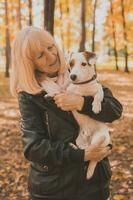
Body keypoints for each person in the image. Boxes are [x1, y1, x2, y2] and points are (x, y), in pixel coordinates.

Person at [10, 26, 123, 200]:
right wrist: (82, 155)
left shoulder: (77, 69)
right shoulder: (29, 95)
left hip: (94, 186)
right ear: (29, 63)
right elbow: (34, 148)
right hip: (55, 189)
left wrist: (81, 103)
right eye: (40, 55)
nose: (51, 56)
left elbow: (114, 109)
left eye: (50, 47)